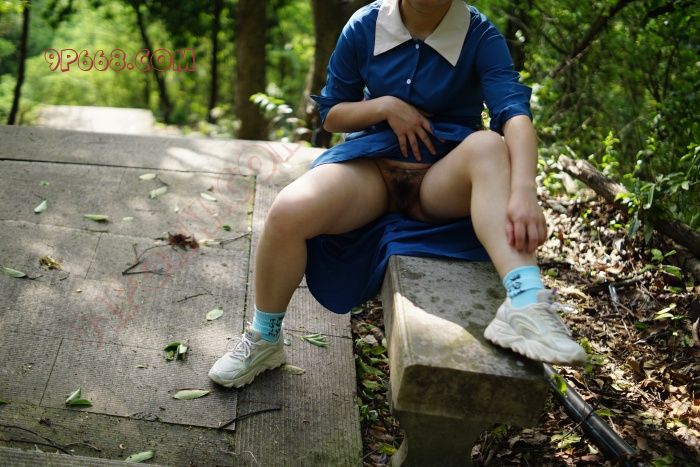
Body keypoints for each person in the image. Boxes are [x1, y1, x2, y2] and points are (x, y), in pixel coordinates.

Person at [208, 0, 586, 389]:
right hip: (372, 171)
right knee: (288, 209)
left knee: (490, 144)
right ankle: (265, 338)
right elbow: (332, 114)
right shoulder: (365, 25)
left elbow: (515, 114)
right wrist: (386, 107)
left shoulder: (479, 33)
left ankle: (526, 303)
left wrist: (524, 191)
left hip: (442, 182)